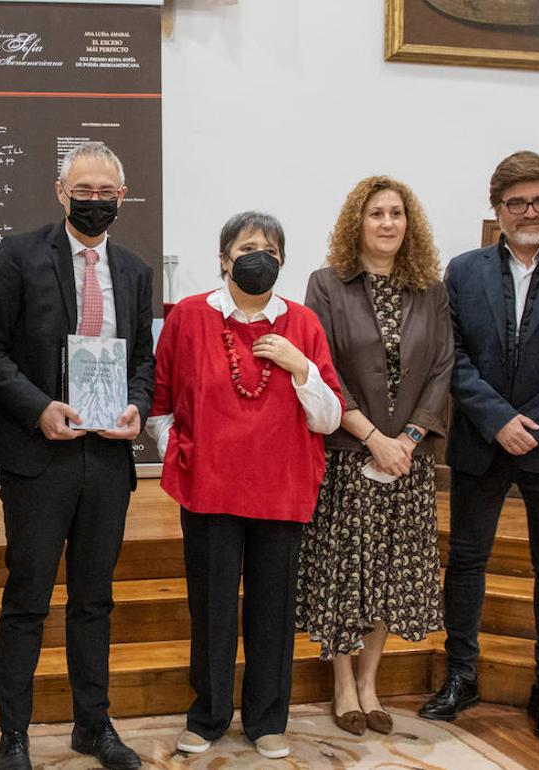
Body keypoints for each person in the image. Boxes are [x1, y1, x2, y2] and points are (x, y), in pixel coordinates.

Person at [418, 151, 539, 744]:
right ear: (496, 208)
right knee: (467, 562)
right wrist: (499, 419)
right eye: (517, 203)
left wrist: (533, 422)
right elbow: (453, 355)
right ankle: (460, 676)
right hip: (481, 441)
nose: (530, 212)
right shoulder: (463, 269)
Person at [0, 141, 154, 770]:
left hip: (107, 459)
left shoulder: (134, 269)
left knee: (94, 599)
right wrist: (36, 408)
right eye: (86, 189)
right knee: (27, 597)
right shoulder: (20, 255)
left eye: (109, 192)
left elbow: (142, 359)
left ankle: (93, 724)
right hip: (39, 455)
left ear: (122, 197)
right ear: (61, 191)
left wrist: (135, 406)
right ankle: (14, 736)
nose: (96, 200)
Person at [147, 211, 342, 760]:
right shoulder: (188, 317)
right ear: (224, 256)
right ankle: (206, 716)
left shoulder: (302, 324)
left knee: (272, 608)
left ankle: (266, 720)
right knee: (211, 608)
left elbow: (328, 419)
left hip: (280, 489)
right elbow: (161, 401)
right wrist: (180, 452)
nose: (261, 256)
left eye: (271, 249)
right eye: (248, 246)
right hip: (208, 487)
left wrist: (300, 368)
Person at [297, 177, 453, 736]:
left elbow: (442, 368)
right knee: (344, 572)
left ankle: (370, 682)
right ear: (355, 223)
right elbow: (322, 371)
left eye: (396, 214)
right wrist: (373, 438)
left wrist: (407, 441)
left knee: (390, 571)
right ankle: (342, 685)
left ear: (409, 224)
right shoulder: (327, 285)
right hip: (347, 453)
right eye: (375, 214)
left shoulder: (430, 289)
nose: (387, 223)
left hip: (406, 463)